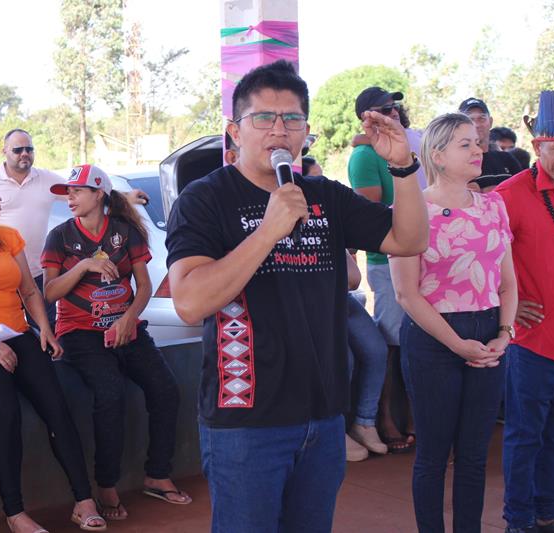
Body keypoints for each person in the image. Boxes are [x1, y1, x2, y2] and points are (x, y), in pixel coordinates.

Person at [165, 59, 427, 532]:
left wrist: (405, 168)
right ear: (234, 131)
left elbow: (408, 240)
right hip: (246, 421)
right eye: (263, 118)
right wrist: (269, 230)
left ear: (306, 131)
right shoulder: (205, 200)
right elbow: (189, 301)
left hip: (324, 417)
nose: (278, 130)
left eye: (292, 119)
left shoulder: (325, 195)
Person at [0, 170, 105, 532]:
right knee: (7, 414)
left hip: (18, 334)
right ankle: (15, 514)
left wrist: (44, 330)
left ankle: (84, 500)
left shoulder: (6, 237)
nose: (0, 201)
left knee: (57, 409)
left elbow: (30, 292)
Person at [391, 112, 517, 533]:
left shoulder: (493, 206)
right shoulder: (411, 209)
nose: (478, 149)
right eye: (466, 144)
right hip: (433, 338)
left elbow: (507, 284)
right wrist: (457, 344)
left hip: (488, 335)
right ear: (438, 155)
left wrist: (505, 333)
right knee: (432, 453)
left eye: (477, 141)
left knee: (475, 455)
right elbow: (407, 294)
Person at [42, 164, 190, 521]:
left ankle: (157, 474)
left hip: (126, 326)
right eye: (68, 193)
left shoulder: (125, 232)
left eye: (77, 191)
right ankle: (106, 484)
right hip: (79, 332)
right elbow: (49, 292)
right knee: (110, 393)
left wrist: (127, 320)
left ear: (99, 194)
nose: (71, 198)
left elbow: (144, 287)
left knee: (166, 390)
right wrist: (82, 267)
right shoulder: (60, 237)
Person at [0, 129, 147, 327]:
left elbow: (86, 192)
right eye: (18, 149)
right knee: (6, 335)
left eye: (29, 149)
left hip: (38, 274)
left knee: (44, 336)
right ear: (3, 150)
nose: (24, 153)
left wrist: (127, 197)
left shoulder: (46, 178)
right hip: (2, 275)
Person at [496, 89, 554, 533]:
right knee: (524, 436)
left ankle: (548, 510)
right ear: (537, 147)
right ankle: (517, 519)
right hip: (532, 340)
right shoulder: (510, 194)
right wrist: (511, 306)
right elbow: (483, 258)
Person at [348, 86, 416, 454]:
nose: (393, 112)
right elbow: (370, 212)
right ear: (365, 116)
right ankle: (384, 416)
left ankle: (414, 414)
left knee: (418, 339)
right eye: (383, 109)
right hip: (385, 260)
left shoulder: (412, 144)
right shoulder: (363, 155)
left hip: (421, 255)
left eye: (394, 107)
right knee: (391, 341)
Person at [345, 252, 389, 461]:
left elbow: (353, 279)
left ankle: (364, 421)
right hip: (304, 301)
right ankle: (337, 428)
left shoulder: (323, 222)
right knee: (344, 359)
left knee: (376, 350)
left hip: (339, 296)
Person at [459, 98, 522, 192]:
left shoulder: (507, 159)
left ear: (491, 122)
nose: (476, 124)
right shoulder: (456, 163)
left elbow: (524, 189)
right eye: (470, 120)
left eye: (482, 118)